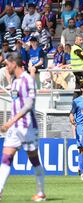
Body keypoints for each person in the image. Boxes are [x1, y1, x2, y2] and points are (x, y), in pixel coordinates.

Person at [0, 54, 46, 201]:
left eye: (8, 64)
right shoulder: (15, 81)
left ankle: (41, 192)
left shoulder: (28, 80)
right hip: (14, 128)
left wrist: (10, 121)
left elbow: (28, 105)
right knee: (6, 158)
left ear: (15, 63)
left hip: (28, 128)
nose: (6, 66)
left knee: (34, 160)